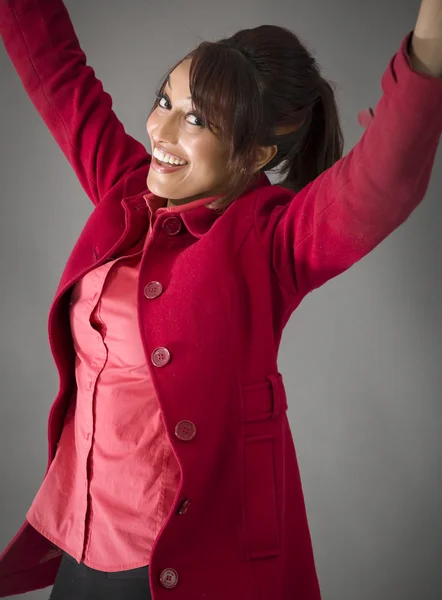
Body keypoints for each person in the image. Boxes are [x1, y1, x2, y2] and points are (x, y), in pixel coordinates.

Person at [1, 0, 441, 599]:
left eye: (197, 121)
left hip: (178, 565)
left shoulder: (270, 243)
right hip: (78, 540)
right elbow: (55, 70)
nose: (159, 130)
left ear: (256, 155)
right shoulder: (125, 190)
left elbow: (380, 183)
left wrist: (431, 47)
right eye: (165, 101)